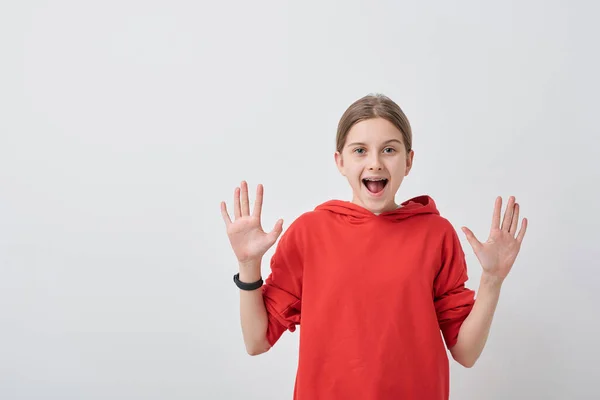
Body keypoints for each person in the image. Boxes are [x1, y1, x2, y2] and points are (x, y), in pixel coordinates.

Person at [220, 93, 528, 400]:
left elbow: (466, 352)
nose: (375, 163)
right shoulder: (309, 232)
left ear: (408, 161)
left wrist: (492, 279)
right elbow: (256, 341)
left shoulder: (436, 234)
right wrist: (248, 264)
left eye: (389, 150)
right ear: (340, 161)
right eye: (360, 151)